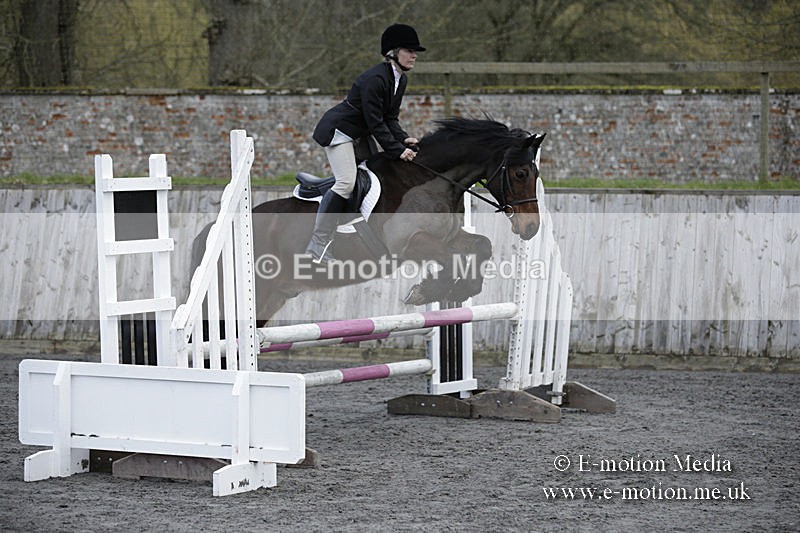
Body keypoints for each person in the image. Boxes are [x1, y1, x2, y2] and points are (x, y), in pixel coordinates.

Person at [306, 23, 425, 264]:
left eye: (415, 51)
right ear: (392, 52)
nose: (414, 55)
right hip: (340, 131)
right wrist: (397, 150)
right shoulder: (375, 79)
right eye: (408, 50)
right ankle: (317, 243)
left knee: (375, 173)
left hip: (359, 133)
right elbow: (374, 122)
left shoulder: (399, 80)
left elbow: (389, 118)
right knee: (347, 181)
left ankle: (355, 228)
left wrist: (403, 138)